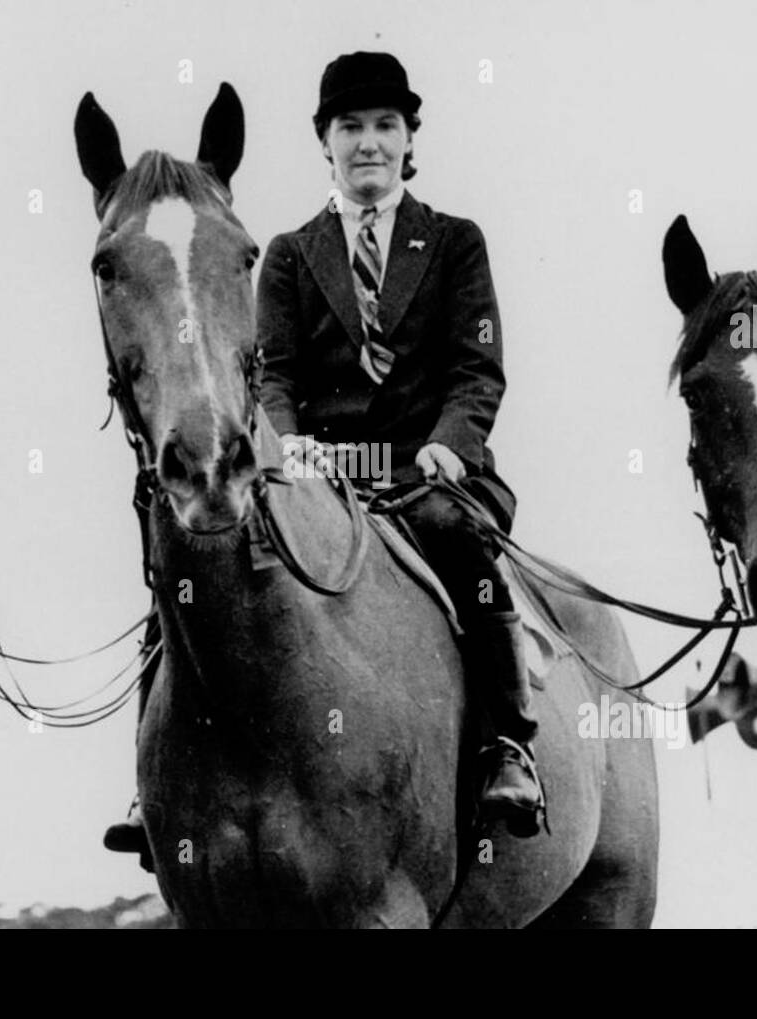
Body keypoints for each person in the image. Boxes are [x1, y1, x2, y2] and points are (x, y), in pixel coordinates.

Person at [104, 51, 540, 859]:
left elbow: (477, 369)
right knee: (189, 569)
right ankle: (153, 776)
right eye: (350, 128)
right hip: (317, 476)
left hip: (422, 475)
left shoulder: (453, 243)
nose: (368, 142)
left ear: (409, 140)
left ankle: (506, 746)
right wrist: (290, 440)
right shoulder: (292, 254)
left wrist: (450, 444)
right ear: (325, 143)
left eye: (384, 126)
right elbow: (269, 373)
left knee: (463, 543)